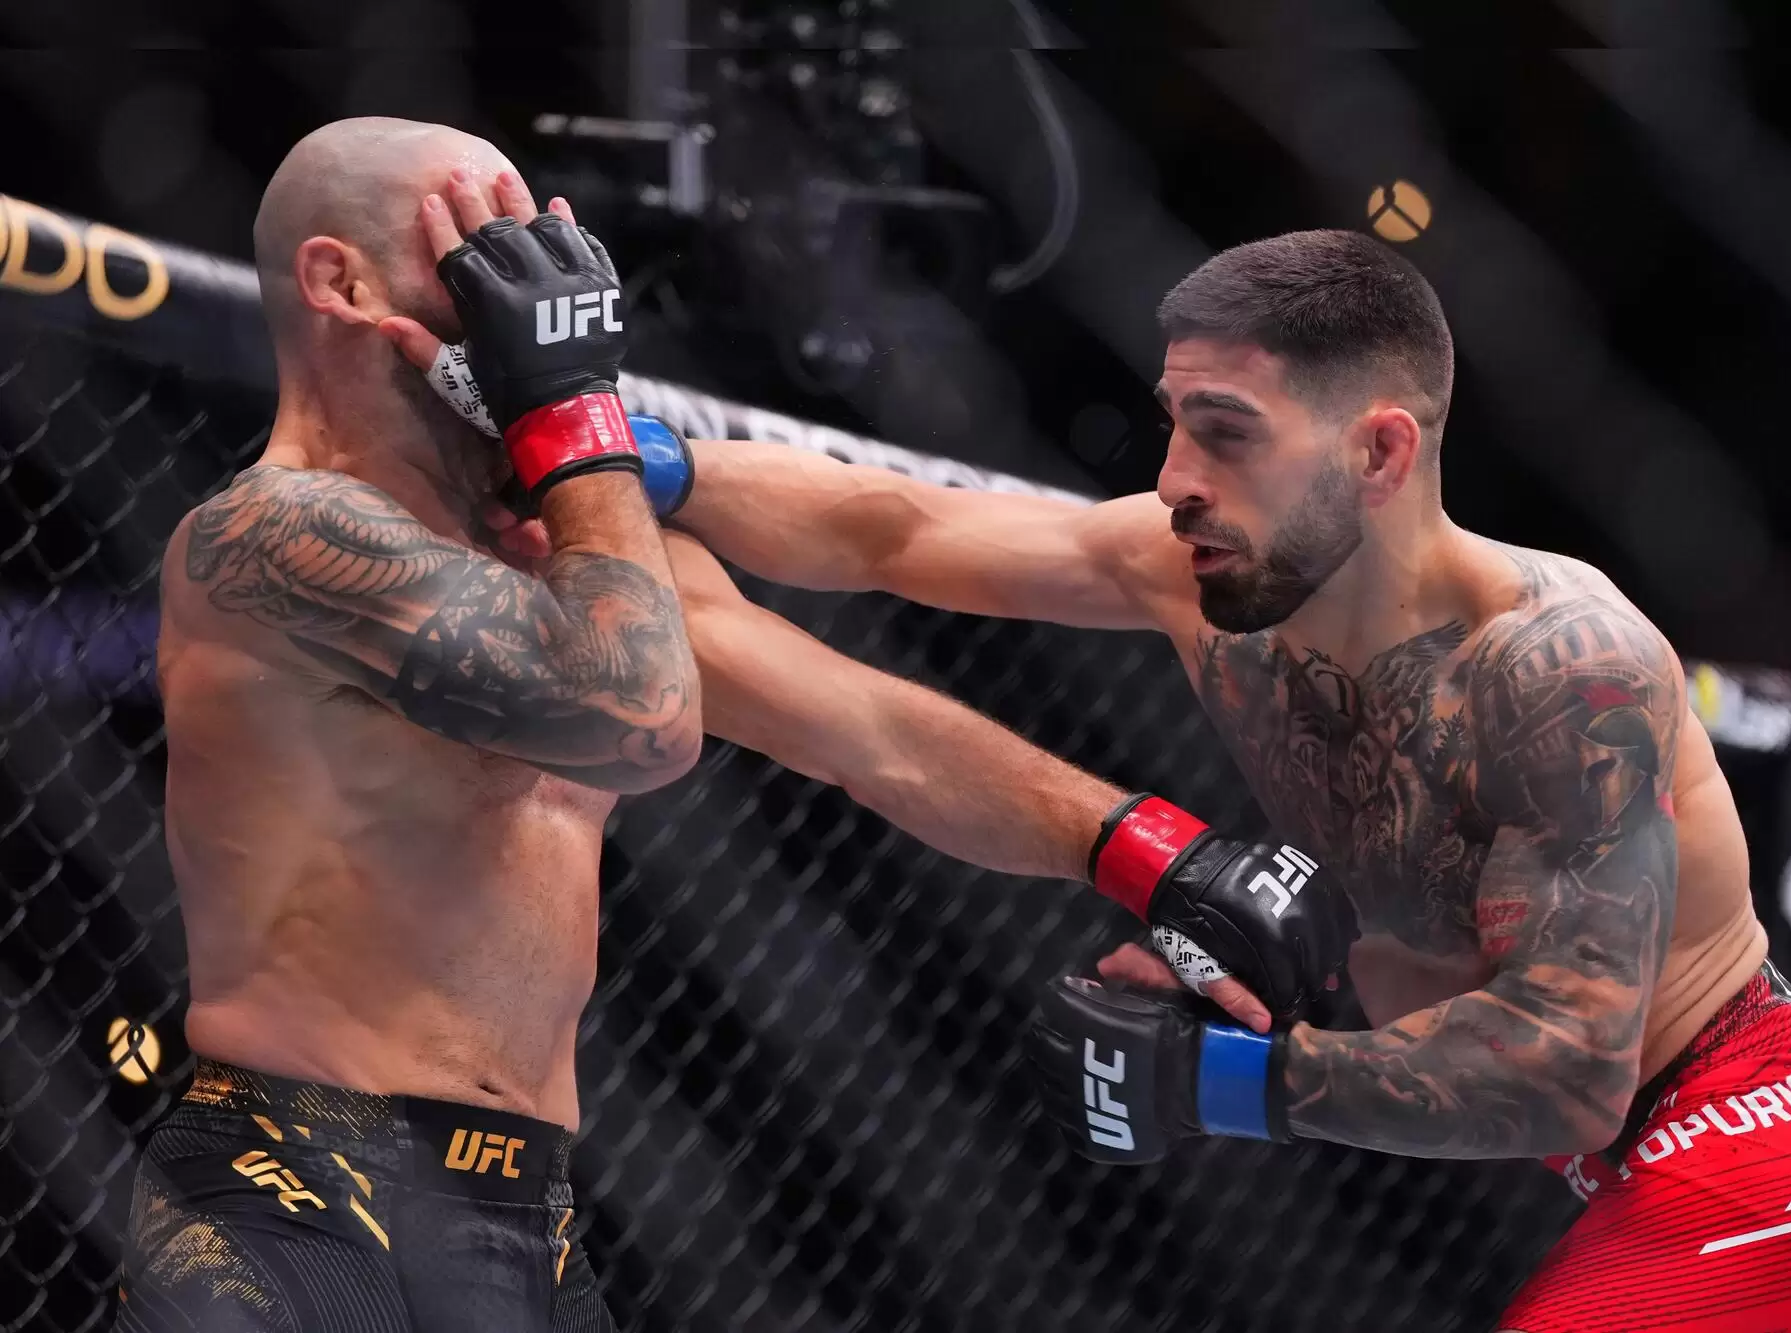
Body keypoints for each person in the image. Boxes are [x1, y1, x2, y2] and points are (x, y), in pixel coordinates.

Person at [123, 119, 1336, 1333]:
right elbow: (637, 724)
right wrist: (570, 415)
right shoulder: (274, 534)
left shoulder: (563, 545)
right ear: (340, 281)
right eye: (479, 250)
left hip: (523, 1212)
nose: (530, 290)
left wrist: (1151, 854)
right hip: (296, 1191)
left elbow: (866, 730)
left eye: (539, 249)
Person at [669, 230, 1791, 1331]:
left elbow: (1567, 1071)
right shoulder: (1196, 584)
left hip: (1782, 1133)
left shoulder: (1557, 667)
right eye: (1174, 426)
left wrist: (1215, 1081)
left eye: (1225, 436)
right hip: (1666, 1171)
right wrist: (640, 455)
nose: (1175, 481)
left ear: (1378, 453)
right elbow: (894, 527)